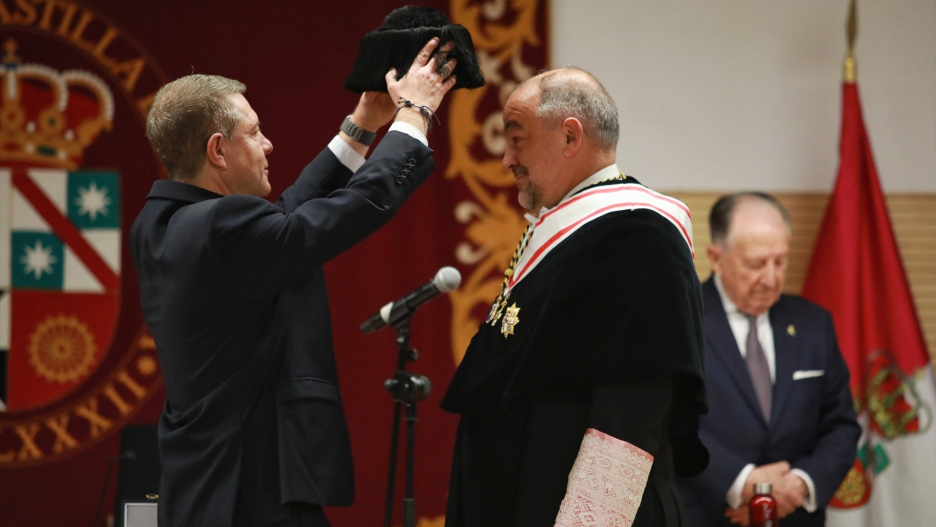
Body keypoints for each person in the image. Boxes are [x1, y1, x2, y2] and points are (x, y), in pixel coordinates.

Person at [130, 38, 457, 527]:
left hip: (205, 491)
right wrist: (413, 117)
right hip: (255, 494)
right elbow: (341, 214)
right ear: (218, 151)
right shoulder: (220, 228)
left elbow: (281, 220)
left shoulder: (161, 225)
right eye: (254, 132)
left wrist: (364, 123)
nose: (268, 144)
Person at [440, 68, 709, 526]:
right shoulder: (572, 228)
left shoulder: (639, 230)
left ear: (569, 137)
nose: (506, 160)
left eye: (517, 138)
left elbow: (635, 403)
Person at [677, 193, 860, 527]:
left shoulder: (813, 323)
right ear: (716, 258)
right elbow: (665, 422)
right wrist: (743, 483)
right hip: (708, 515)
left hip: (797, 517)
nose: (772, 278)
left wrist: (799, 485)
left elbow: (842, 425)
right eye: (756, 264)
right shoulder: (679, 322)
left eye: (780, 262)